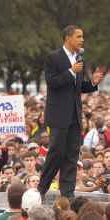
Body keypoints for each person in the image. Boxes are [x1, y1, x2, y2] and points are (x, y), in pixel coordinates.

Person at [38, 25, 103, 198]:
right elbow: (52, 83)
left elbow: (78, 87)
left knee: (71, 155)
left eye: (83, 36)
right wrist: (70, 71)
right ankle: (41, 189)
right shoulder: (53, 58)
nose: (82, 39)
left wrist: (93, 83)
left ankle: (67, 192)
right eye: (79, 36)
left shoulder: (80, 59)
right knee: (57, 151)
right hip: (58, 115)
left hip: (75, 115)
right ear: (68, 38)